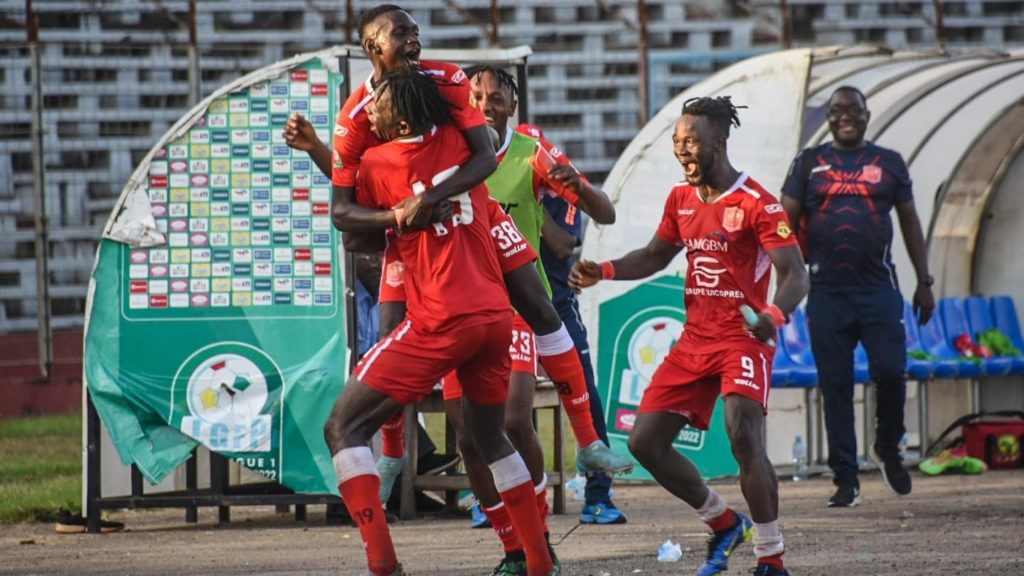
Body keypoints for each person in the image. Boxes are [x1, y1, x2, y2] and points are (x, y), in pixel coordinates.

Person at [285, 4, 631, 477]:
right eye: (401, 32)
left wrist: (429, 198)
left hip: (478, 216)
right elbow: (346, 206)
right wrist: (399, 214)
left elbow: (485, 159)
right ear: (373, 46)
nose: (414, 39)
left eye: (416, 30)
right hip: (414, 239)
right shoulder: (356, 117)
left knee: (539, 312)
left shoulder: (449, 81)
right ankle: (395, 453)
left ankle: (587, 443)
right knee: (391, 338)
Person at [325, 68, 555, 576]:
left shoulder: (380, 161)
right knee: (492, 438)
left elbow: (352, 230)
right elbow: (486, 148)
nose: (370, 110)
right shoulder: (464, 149)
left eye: (381, 104)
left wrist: (394, 218)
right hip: (494, 318)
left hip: (441, 321)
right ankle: (538, 561)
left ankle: (383, 564)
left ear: (403, 120)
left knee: (341, 426)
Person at [571, 96, 809, 576]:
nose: (682, 150)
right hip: (695, 340)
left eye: (691, 141)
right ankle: (724, 522)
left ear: (719, 142)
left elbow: (795, 274)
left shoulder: (757, 202)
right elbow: (655, 255)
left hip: (743, 338)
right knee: (644, 443)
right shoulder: (681, 198)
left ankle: (771, 557)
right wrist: (605, 270)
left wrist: (773, 315)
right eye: (677, 142)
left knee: (743, 433)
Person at [780, 85, 934, 508]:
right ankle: (845, 479)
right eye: (837, 110)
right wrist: (784, 284)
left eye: (854, 109)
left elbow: (910, 221)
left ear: (867, 115)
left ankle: (887, 445)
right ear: (828, 118)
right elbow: (782, 224)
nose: (845, 116)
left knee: (892, 371)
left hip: (878, 290)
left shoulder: (889, 162)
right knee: (836, 386)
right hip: (827, 292)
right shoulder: (809, 163)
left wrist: (925, 281)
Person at [513, 117, 625, 526]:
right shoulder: (490, 180)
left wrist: (529, 202)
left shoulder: (560, 189)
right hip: (509, 308)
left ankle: (598, 496)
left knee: (584, 393)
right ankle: (493, 497)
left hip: (556, 305)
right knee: (502, 403)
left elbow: (563, 245)